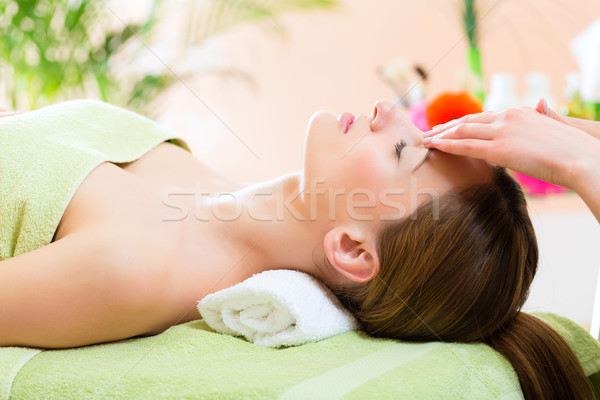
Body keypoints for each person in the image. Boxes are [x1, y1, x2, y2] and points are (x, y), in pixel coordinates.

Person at [0, 98, 594, 398]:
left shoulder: (131, 269)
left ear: (355, 251)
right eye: (417, 135)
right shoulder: (201, 179)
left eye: (402, 151)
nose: (389, 111)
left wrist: (585, 165)